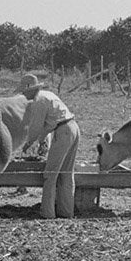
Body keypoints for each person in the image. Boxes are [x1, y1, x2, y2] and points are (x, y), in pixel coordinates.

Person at [21, 77, 80, 219]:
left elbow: (36, 126)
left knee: (50, 175)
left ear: (30, 90)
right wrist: (42, 140)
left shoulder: (38, 101)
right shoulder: (48, 95)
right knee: (66, 173)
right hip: (73, 128)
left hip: (63, 131)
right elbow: (49, 125)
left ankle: (47, 214)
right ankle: (66, 212)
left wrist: (28, 143)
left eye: (24, 92)